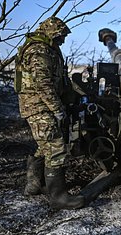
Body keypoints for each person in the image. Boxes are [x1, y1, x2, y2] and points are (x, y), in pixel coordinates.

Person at [15, 16, 85, 210]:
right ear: (52, 32)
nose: (62, 40)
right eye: (61, 36)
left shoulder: (49, 48)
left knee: (44, 146)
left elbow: (58, 80)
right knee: (55, 148)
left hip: (39, 105)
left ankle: (35, 184)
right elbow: (43, 84)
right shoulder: (39, 50)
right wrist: (58, 109)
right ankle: (59, 197)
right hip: (38, 106)